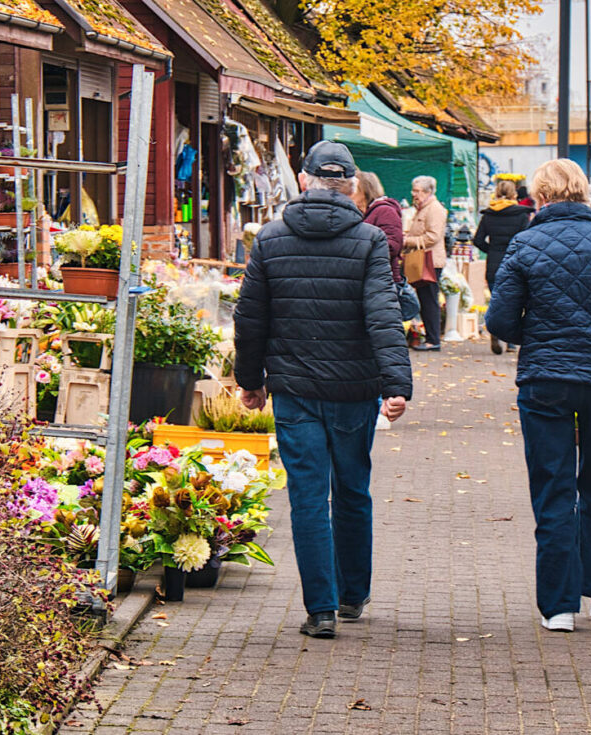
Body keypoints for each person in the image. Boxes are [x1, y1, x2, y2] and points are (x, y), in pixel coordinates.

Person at [233, 141, 413, 638]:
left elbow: (251, 319)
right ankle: (353, 594)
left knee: (308, 494)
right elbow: (383, 315)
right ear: (351, 186)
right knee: (352, 487)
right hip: (355, 388)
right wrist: (397, 384)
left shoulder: (270, 239)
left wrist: (250, 381)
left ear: (305, 180)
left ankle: (321, 609)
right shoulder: (370, 240)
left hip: (293, 389)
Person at [486, 159, 591, 632]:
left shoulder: (524, 243)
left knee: (553, 487)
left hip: (546, 379)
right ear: (583, 193)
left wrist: (537, 334)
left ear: (540, 197)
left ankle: (559, 606)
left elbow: (499, 322)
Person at [473, 179, 533, 354]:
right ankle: (512, 342)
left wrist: (491, 249)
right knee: (515, 301)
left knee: (495, 299)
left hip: (494, 262)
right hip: (515, 262)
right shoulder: (522, 214)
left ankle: (494, 331)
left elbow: (477, 240)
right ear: (514, 194)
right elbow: (526, 239)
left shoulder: (489, 214)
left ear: (496, 193)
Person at [403, 175, 447, 351]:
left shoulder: (434, 209)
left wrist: (408, 241)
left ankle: (433, 340)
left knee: (429, 300)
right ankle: (430, 337)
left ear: (428, 192)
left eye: (417, 191)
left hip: (431, 261)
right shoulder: (423, 208)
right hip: (423, 260)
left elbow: (433, 237)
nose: (414, 194)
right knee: (425, 298)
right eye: (413, 190)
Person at [355, 171, 404, 284]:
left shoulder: (385, 211)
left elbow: (392, 246)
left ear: (364, 191)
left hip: (383, 279)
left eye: (354, 189)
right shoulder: (369, 211)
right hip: (374, 277)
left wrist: (359, 249)